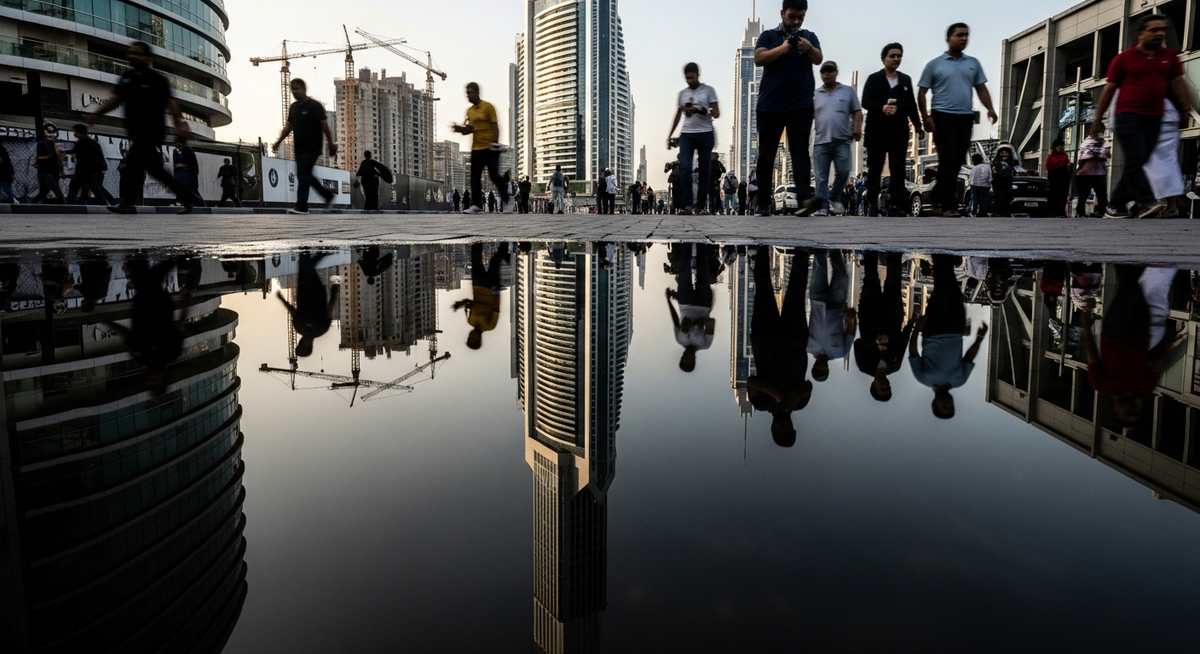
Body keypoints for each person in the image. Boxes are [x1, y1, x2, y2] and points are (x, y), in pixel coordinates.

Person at [1090, 14, 1190, 218]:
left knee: (1138, 162)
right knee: (1136, 158)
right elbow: (1109, 90)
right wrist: (1097, 119)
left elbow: (1178, 82)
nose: (1160, 33)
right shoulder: (1124, 58)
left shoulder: (1170, 57)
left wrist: (1186, 104)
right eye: (1154, 30)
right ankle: (1146, 202)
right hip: (1128, 116)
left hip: (1155, 117)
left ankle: (1115, 204)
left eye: (1163, 29)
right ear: (1140, 34)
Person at [86, 42, 198, 214]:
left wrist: (179, 123)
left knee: (131, 166)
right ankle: (187, 196)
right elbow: (115, 99)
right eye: (131, 53)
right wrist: (97, 113)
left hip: (152, 131)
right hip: (136, 131)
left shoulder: (157, 80)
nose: (132, 56)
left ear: (147, 58)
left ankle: (128, 204)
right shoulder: (127, 77)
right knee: (155, 170)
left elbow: (171, 103)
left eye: (137, 54)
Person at [1083, 265, 1183, 425]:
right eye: (1135, 411)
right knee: (1139, 294)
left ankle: (1121, 259)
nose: (1133, 408)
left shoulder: (1101, 385)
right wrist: (1169, 348)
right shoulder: (1144, 389)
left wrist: (1087, 329)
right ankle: (1129, 263)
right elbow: (1157, 366)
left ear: (1116, 410)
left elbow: (1092, 357)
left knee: (1128, 292)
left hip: (1114, 332)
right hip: (1141, 333)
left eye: (1128, 412)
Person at [917, 23, 998, 217]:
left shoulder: (973, 63)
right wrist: (926, 117)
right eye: (959, 35)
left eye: (966, 35)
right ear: (949, 38)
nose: (964, 38)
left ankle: (936, 194)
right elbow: (921, 92)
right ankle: (949, 205)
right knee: (947, 158)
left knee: (957, 161)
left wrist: (990, 109)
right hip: (941, 116)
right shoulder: (934, 64)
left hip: (964, 117)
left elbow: (981, 88)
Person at [754, 0, 824, 217]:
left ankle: (804, 201)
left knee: (800, 152)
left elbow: (819, 59)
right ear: (782, 13)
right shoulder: (769, 36)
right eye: (792, 16)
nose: (796, 21)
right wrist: (784, 48)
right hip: (770, 105)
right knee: (767, 154)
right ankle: (763, 202)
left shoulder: (809, 36)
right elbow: (758, 58)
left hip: (800, 104)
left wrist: (808, 48)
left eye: (800, 17)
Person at [908, 254, 988, 419]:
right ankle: (943, 258)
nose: (949, 403)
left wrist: (918, 328)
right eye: (951, 406)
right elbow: (968, 358)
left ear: (935, 403)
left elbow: (913, 352)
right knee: (953, 291)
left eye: (944, 406)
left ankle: (940, 256)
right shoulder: (959, 381)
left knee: (941, 290)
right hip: (955, 328)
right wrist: (979, 339)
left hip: (933, 329)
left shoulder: (923, 378)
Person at [748, 248, 813, 447]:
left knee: (763, 288)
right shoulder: (799, 404)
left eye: (781, 430)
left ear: (773, 428)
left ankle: (760, 249)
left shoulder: (760, 404)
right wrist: (788, 402)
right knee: (796, 292)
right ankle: (802, 253)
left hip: (765, 339)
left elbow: (752, 383)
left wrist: (777, 396)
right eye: (789, 430)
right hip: (794, 340)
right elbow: (808, 386)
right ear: (793, 427)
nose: (784, 427)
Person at [862, 43, 924, 216]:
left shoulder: (905, 80)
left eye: (899, 56)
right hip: (877, 131)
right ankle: (872, 203)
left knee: (898, 168)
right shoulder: (874, 79)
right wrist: (882, 108)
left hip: (898, 131)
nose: (896, 59)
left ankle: (896, 205)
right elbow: (865, 101)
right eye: (892, 56)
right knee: (875, 168)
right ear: (884, 59)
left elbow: (911, 104)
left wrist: (918, 125)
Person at [271, 78, 336, 215]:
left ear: (304, 89)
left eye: (297, 89)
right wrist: (278, 142)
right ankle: (327, 195)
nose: (294, 92)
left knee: (303, 173)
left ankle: (301, 206)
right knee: (304, 174)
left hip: (312, 147)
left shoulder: (315, 106)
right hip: (299, 147)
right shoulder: (293, 108)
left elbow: (325, 126)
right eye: (292, 89)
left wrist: (330, 144)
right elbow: (288, 127)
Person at [855, 251, 912, 402]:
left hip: (869, 315)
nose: (886, 386)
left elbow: (858, 345)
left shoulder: (865, 366)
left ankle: (869, 248)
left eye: (882, 389)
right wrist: (912, 324)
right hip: (892, 316)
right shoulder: (895, 366)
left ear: (873, 385)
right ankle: (895, 251)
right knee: (894, 279)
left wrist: (875, 342)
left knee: (871, 278)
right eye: (888, 388)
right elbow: (902, 342)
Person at [667, 62, 720, 215]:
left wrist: (702, 111)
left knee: (704, 170)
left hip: (705, 133)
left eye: (692, 77)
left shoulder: (709, 91)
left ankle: (701, 206)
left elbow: (716, 113)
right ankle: (688, 205)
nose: (690, 81)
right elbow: (677, 116)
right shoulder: (682, 94)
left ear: (698, 75)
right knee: (684, 168)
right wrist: (670, 135)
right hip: (687, 134)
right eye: (687, 78)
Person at [812, 61, 863, 216]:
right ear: (821, 74)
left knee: (843, 172)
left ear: (836, 72)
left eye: (830, 71)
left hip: (842, 141)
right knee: (821, 177)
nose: (827, 74)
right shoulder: (815, 95)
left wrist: (857, 129)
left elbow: (858, 112)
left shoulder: (847, 92)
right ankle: (823, 207)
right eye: (824, 71)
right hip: (821, 142)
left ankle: (834, 196)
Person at [452, 82, 511, 214]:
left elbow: (495, 126)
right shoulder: (470, 111)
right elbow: (469, 129)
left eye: (471, 92)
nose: (468, 95)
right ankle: (477, 205)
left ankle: (507, 199)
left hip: (489, 147)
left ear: (477, 93)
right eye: (467, 93)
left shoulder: (488, 107)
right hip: (476, 148)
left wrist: (495, 142)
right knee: (474, 177)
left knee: (494, 175)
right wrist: (459, 129)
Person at [276, 252, 339, 357]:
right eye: (304, 346)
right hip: (317, 292)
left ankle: (319, 253)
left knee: (306, 268)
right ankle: (305, 250)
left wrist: (282, 300)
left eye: (300, 345)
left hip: (303, 291)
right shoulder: (321, 329)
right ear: (310, 346)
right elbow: (329, 310)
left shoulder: (299, 327)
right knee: (305, 267)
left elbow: (293, 311)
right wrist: (334, 293)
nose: (302, 343)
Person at [807, 249, 856, 381]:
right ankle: (835, 249)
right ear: (827, 370)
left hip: (817, 301)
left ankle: (820, 245)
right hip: (837, 304)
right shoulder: (841, 352)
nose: (821, 368)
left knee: (819, 266)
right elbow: (851, 333)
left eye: (817, 370)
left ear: (813, 367)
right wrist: (852, 319)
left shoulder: (807, 347)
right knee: (841, 275)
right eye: (822, 371)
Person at [667, 243, 716, 373]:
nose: (685, 356)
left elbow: (675, 320)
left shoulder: (680, 340)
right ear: (694, 359)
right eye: (688, 359)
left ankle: (686, 241)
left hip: (685, 302)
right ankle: (701, 242)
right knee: (703, 267)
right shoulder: (705, 344)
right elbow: (712, 323)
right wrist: (697, 323)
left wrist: (668, 300)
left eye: (683, 358)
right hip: (703, 302)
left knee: (684, 269)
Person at [453, 242, 509, 350]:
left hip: (477, 285)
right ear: (479, 339)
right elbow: (496, 308)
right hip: (490, 287)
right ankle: (505, 243)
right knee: (494, 262)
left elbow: (473, 303)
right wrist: (496, 292)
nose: (471, 336)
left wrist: (461, 304)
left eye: (469, 338)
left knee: (475, 258)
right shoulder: (489, 326)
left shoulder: (470, 321)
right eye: (473, 339)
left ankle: (477, 237)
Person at [1143, 96, 1186, 218]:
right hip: (1168, 118)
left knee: (1144, 161)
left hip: (1153, 118)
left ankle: (1151, 202)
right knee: (1168, 162)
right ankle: (1170, 207)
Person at [67, 124, 113, 205]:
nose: (74, 134)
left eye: (75, 132)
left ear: (79, 132)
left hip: (81, 171)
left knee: (73, 187)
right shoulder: (94, 143)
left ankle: (68, 205)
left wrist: (62, 152)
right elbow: (99, 156)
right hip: (91, 171)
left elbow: (74, 151)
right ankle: (105, 204)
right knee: (96, 189)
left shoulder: (81, 143)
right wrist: (102, 167)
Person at [1075, 136, 1109, 217]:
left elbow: (1106, 156)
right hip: (1093, 174)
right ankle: (1101, 211)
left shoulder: (1085, 146)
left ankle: (1081, 212)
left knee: (1085, 195)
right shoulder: (1088, 145)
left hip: (1088, 174)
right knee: (1100, 195)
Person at [33, 122, 65, 204]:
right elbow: (41, 156)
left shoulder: (52, 145)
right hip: (46, 171)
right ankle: (64, 204)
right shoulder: (43, 143)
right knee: (55, 188)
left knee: (44, 191)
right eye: (49, 131)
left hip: (52, 170)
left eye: (53, 131)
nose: (52, 134)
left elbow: (57, 158)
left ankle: (32, 203)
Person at [1046, 139, 1070, 216]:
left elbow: (1067, 167)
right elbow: (1049, 168)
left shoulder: (1065, 156)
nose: (1061, 148)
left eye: (1062, 146)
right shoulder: (1051, 157)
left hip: (1064, 179)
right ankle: (1053, 212)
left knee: (1063, 196)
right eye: (1059, 146)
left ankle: (1061, 212)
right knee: (1054, 196)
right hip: (1054, 179)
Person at [991, 147, 1015, 217]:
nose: (1004, 155)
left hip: (1007, 182)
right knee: (997, 198)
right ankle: (997, 212)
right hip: (997, 182)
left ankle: (1005, 212)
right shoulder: (995, 163)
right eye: (1002, 153)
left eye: (1006, 153)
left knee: (1006, 197)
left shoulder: (1012, 163)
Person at [967, 152, 991, 216]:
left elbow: (972, 177)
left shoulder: (975, 168)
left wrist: (970, 184)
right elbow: (990, 176)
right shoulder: (988, 167)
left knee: (974, 198)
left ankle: (973, 211)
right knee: (984, 199)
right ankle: (983, 212)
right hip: (985, 185)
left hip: (975, 185)